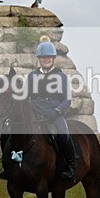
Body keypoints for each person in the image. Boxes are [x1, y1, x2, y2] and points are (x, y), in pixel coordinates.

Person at [25, 36, 76, 181]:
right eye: (43, 57)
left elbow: (67, 99)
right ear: (39, 59)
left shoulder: (61, 76)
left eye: (48, 57)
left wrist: (57, 111)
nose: (45, 60)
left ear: (53, 58)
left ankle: (71, 168)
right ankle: (10, 166)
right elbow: (25, 96)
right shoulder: (32, 76)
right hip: (35, 111)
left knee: (64, 136)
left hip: (54, 113)